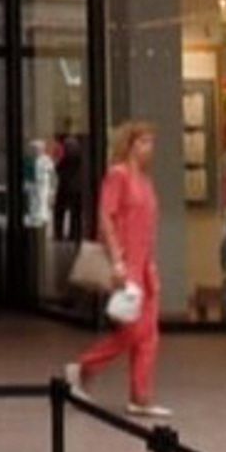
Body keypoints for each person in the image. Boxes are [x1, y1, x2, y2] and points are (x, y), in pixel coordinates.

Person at [66, 120, 169, 420]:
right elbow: (106, 217)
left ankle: (141, 396)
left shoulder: (145, 181)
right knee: (134, 329)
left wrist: (151, 266)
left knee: (149, 334)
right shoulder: (118, 176)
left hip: (145, 262)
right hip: (126, 261)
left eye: (151, 142)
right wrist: (117, 260)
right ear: (130, 144)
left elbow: (148, 227)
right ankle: (85, 366)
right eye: (143, 142)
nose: (149, 148)